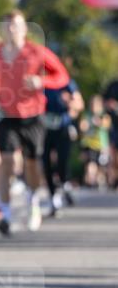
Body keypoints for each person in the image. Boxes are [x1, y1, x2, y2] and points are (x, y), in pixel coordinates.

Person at [0, 10, 69, 236]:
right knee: (6, 162)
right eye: (7, 25)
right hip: (6, 115)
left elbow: (62, 76)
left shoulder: (37, 52)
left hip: (32, 115)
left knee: (32, 164)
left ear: (24, 29)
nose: (11, 30)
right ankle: (5, 213)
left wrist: (40, 80)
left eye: (15, 25)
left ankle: (33, 201)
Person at [42, 75, 83, 216]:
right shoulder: (39, 81)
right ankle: (54, 198)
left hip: (63, 127)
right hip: (44, 128)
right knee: (46, 163)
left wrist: (70, 103)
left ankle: (65, 184)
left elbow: (79, 104)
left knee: (62, 162)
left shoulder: (66, 82)